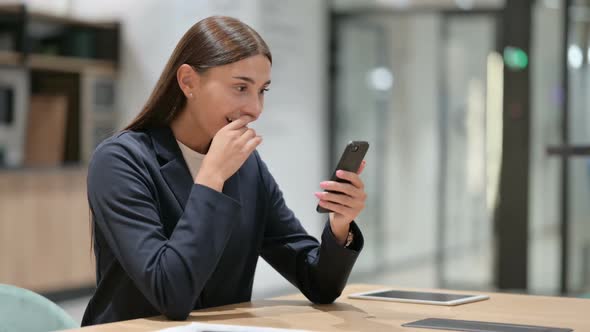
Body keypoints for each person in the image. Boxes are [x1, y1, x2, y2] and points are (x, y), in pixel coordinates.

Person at [81, 15, 367, 326]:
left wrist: (340, 226)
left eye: (262, 91)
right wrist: (211, 177)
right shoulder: (120, 161)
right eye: (241, 87)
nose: (255, 108)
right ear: (188, 81)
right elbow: (170, 294)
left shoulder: (247, 167)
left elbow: (318, 284)